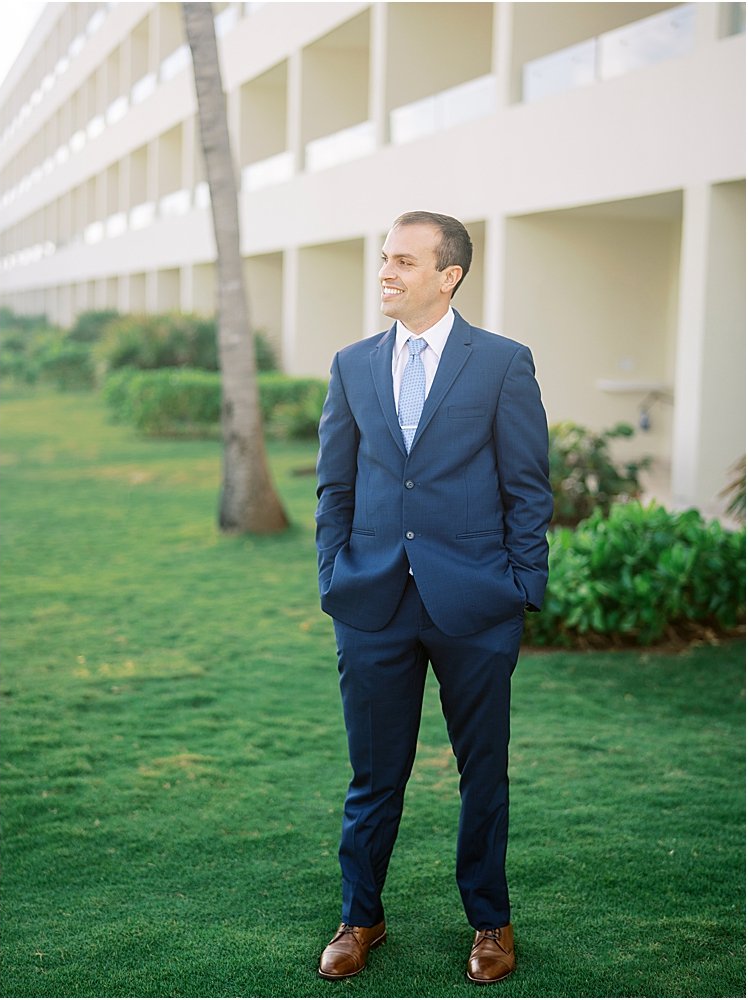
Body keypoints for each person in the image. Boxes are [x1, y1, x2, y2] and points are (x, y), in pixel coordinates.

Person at [313, 212, 550, 985]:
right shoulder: (351, 364)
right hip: (372, 602)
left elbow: (526, 487)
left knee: (484, 772)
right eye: (385, 258)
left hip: (477, 605)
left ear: (448, 275)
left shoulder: (503, 364)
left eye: (404, 261)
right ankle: (361, 917)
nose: (387, 271)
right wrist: (333, 575)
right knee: (373, 774)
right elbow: (334, 485)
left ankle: (490, 923)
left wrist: (522, 588)